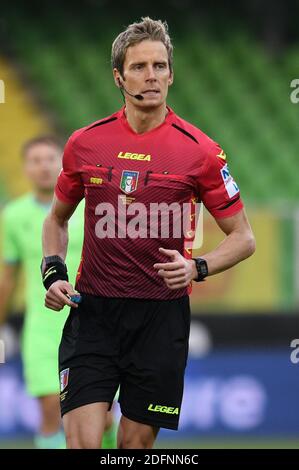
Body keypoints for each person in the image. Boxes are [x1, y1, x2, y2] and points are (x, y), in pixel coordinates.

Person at [41, 17, 255, 449]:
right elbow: (57, 219)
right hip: (94, 311)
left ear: (171, 75)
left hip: (161, 319)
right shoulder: (85, 143)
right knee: (81, 443)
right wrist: (53, 271)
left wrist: (198, 267)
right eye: (139, 67)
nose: (151, 75)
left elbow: (243, 238)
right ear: (119, 77)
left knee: (132, 448)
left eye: (160, 66)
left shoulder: (202, 152)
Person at [0, 136, 117, 449]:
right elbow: (7, 277)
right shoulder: (13, 216)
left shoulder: (90, 207)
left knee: (103, 415)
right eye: (35, 160)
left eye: (50, 159)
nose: (43, 166)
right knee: (51, 408)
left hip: (94, 321)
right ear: (25, 168)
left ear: (63, 164)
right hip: (42, 327)